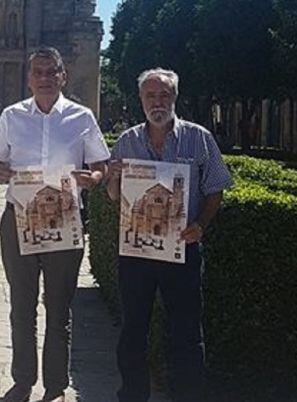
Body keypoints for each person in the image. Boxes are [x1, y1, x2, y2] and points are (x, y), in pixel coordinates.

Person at [0, 47, 110, 402]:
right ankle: (22, 381)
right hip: (18, 219)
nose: (44, 78)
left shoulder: (81, 117)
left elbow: (101, 162)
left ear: (62, 76)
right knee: (21, 306)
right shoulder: (11, 116)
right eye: (37, 72)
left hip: (64, 219)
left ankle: (55, 386)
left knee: (59, 307)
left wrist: (95, 177)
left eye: (51, 72)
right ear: (29, 78)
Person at [105, 68, 232, 402]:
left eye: (163, 95)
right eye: (150, 95)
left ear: (174, 97)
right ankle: (132, 395)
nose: (157, 102)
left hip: (182, 250)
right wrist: (114, 177)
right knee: (133, 330)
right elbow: (114, 196)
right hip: (136, 253)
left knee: (186, 333)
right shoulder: (127, 141)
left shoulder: (199, 138)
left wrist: (201, 225)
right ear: (141, 100)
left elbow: (215, 188)